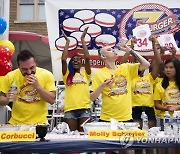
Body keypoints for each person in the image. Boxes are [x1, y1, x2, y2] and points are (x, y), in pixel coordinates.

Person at [90, 43, 150, 122]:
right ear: (103, 56)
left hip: (126, 118)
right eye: (109, 50)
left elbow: (146, 64)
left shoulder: (126, 67)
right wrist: (102, 86)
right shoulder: (99, 73)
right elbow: (91, 98)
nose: (113, 50)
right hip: (107, 119)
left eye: (113, 49)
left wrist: (130, 51)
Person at [0, 50, 56, 124]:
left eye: (32, 67)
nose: (29, 72)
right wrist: (8, 99)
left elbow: (52, 100)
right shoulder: (10, 76)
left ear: (35, 63)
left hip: (39, 123)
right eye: (24, 69)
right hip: (16, 123)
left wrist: (38, 86)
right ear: (19, 67)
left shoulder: (46, 75)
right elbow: (1, 100)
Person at [131, 36, 161, 154]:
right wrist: (132, 46)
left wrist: (154, 44)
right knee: (138, 140)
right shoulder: (130, 77)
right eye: (138, 62)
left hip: (149, 109)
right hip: (135, 109)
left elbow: (158, 62)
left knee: (150, 139)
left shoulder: (150, 77)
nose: (140, 64)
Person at [61, 27, 91, 132]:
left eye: (78, 60)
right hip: (70, 110)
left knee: (84, 138)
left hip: (85, 109)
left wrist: (82, 39)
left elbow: (87, 58)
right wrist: (67, 42)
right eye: (73, 60)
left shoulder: (86, 74)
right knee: (72, 138)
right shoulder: (67, 75)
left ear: (81, 63)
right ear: (71, 63)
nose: (76, 61)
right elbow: (63, 60)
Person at [154, 57, 180, 154]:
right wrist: (166, 108)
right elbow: (156, 104)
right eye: (166, 67)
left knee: (178, 144)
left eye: (171, 67)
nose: (168, 70)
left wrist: (177, 107)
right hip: (165, 119)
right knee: (165, 145)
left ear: (177, 69)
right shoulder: (159, 84)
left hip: (179, 118)